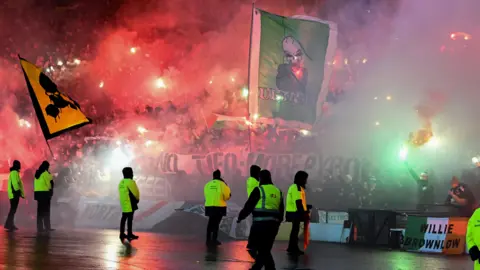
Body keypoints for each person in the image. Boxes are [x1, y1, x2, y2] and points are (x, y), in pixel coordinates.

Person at [238, 169, 284, 270]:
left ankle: (259, 267)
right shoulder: (278, 191)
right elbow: (281, 210)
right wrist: (278, 223)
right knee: (266, 248)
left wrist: (240, 217)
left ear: (260, 178)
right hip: (273, 226)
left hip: (259, 225)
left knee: (254, 246)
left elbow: (249, 206)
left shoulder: (259, 190)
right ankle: (266, 267)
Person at [204, 169, 231, 246]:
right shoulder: (222, 184)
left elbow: (206, 195)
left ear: (213, 176)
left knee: (210, 222)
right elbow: (227, 196)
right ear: (220, 175)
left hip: (209, 206)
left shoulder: (207, 184)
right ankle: (214, 240)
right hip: (219, 206)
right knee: (216, 223)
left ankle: (208, 240)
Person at [285, 170, 309, 255]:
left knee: (295, 230)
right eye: (305, 179)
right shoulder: (296, 187)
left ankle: (292, 247)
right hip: (294, 212)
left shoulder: (297, 187)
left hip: (294, 212)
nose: (306, 181)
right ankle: (292, 247)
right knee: (295, 231)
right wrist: (304, 213)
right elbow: (298, 202)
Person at [118, 167, 140, 242]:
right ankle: (129, 233)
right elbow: (136, 192)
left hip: (124, 202)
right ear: (131, 174)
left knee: (124, 218)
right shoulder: (131, 182)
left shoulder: (121, 182)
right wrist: (137, 199)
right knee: (130, 218)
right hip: (131, 202)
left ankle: (122, 233)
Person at [4, 160, 25, 231]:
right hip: (14, 194)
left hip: (14, 193)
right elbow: (15, 183)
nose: (20, 166)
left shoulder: (14, 172)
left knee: (13, 210)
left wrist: (21, 194)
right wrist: (18, 192)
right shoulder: (14, 173)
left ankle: (10, 224)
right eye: (19, 164)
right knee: (13, 210)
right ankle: (8, 224)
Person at [34, 161, 54, 232]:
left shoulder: (37, 173)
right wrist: (51, 191)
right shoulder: (46, 173)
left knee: (40, 211)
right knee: (46, 211)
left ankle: (40, 227)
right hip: (45, 193)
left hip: (38, 194)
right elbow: (49, 183)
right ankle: (47, 227)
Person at [246, 165, 261, 252]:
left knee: (255, 224)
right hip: (256, 204)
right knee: (256, 224)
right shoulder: (254, 182)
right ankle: (252, 242)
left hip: (254, 204)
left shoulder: (250, 180)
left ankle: (252, 242)